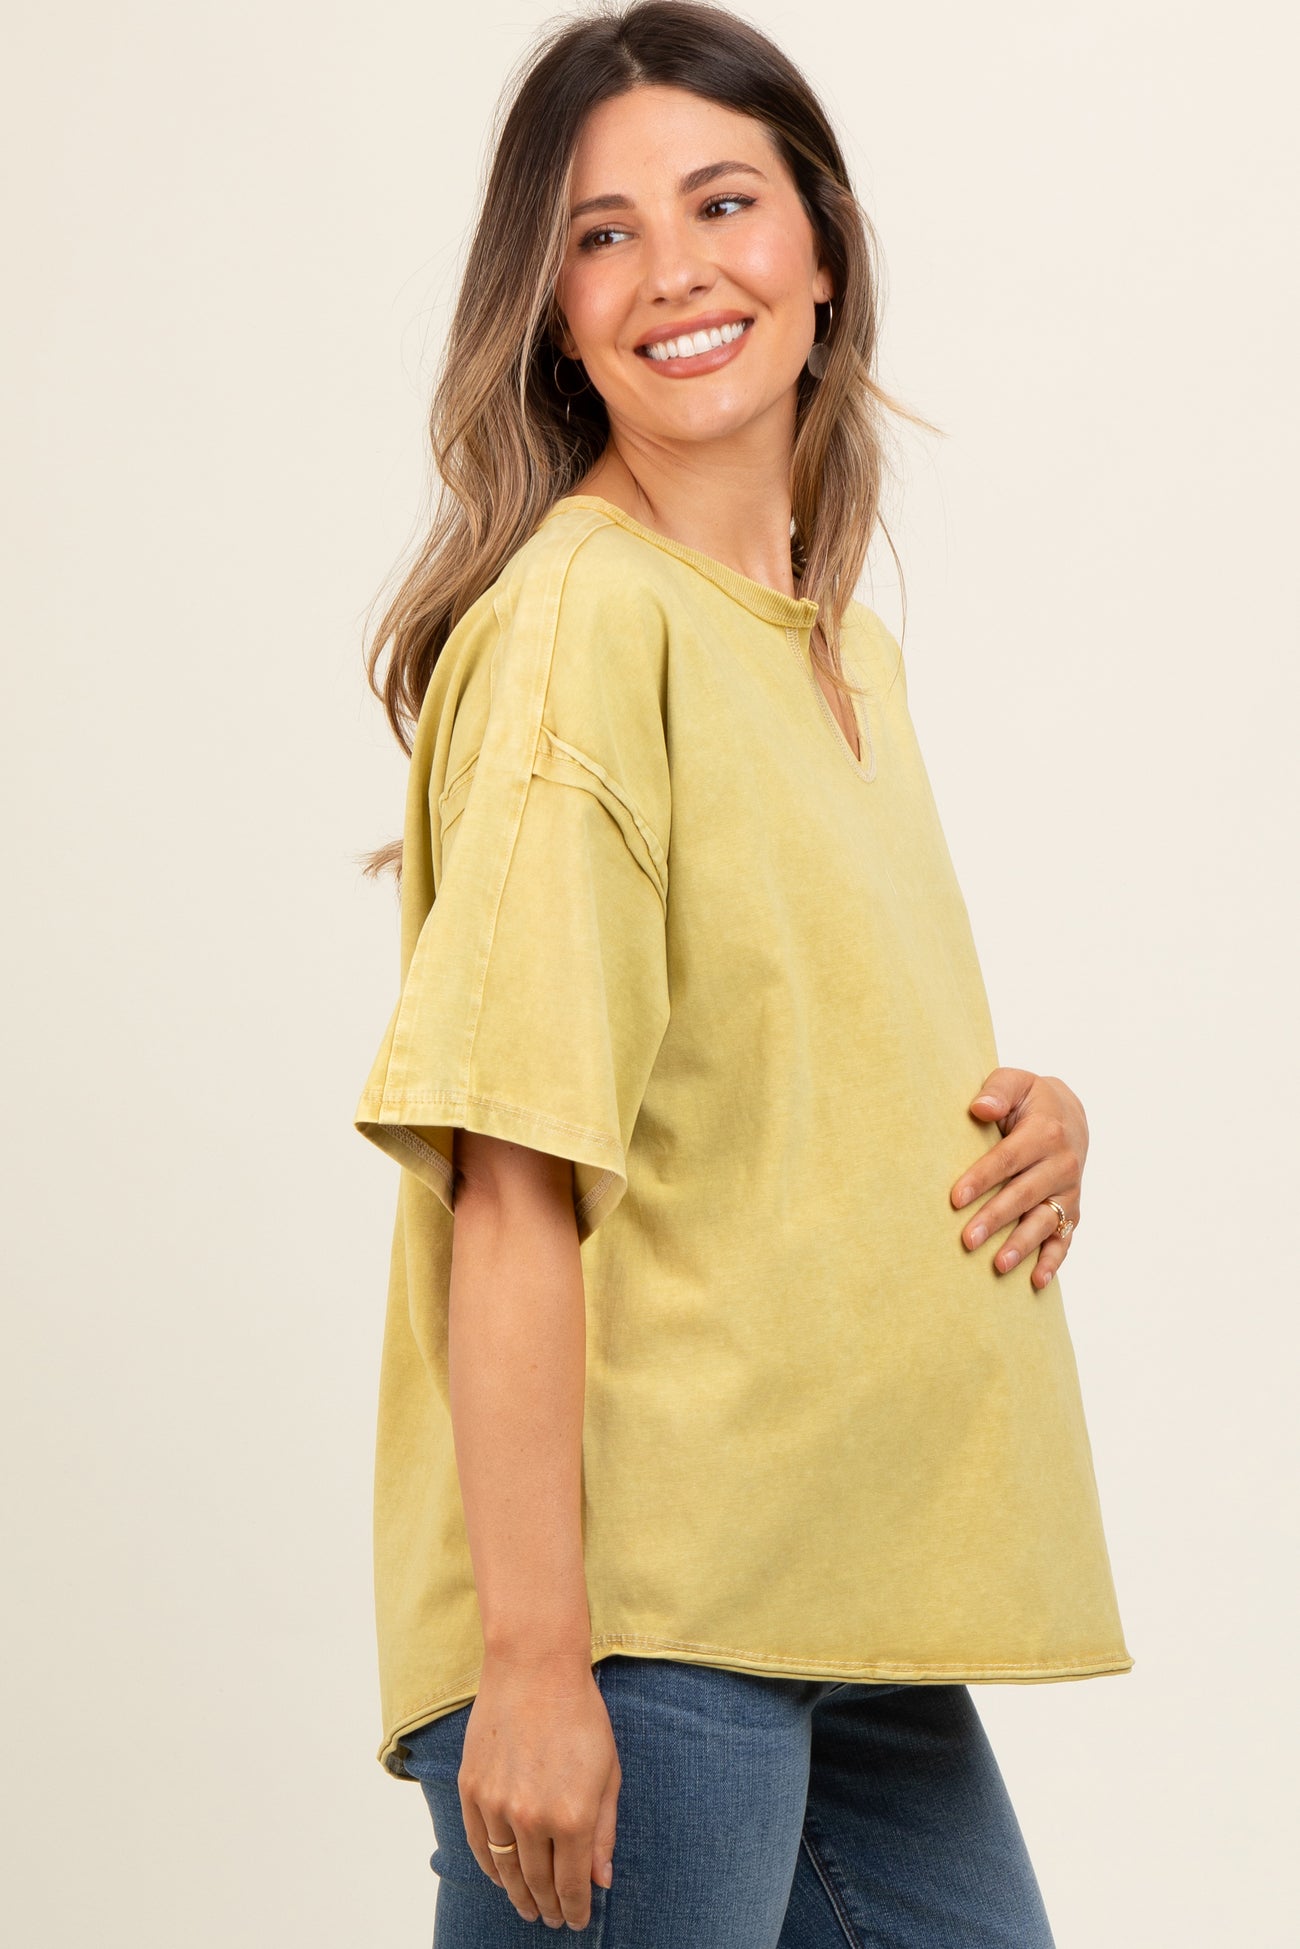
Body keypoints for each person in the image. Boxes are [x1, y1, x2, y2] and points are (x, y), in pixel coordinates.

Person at [351, 3, 1134, 1941]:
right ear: (550, 310)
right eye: (602, 234)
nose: (675, 271)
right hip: (644, 1615)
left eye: (722, 204)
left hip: (844, 1595)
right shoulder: (583, 624)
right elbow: (511, 1175)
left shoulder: (836, 653)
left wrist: (1020, 1114)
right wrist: (535, 1662)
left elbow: (759, 1061)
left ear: (821, 247)